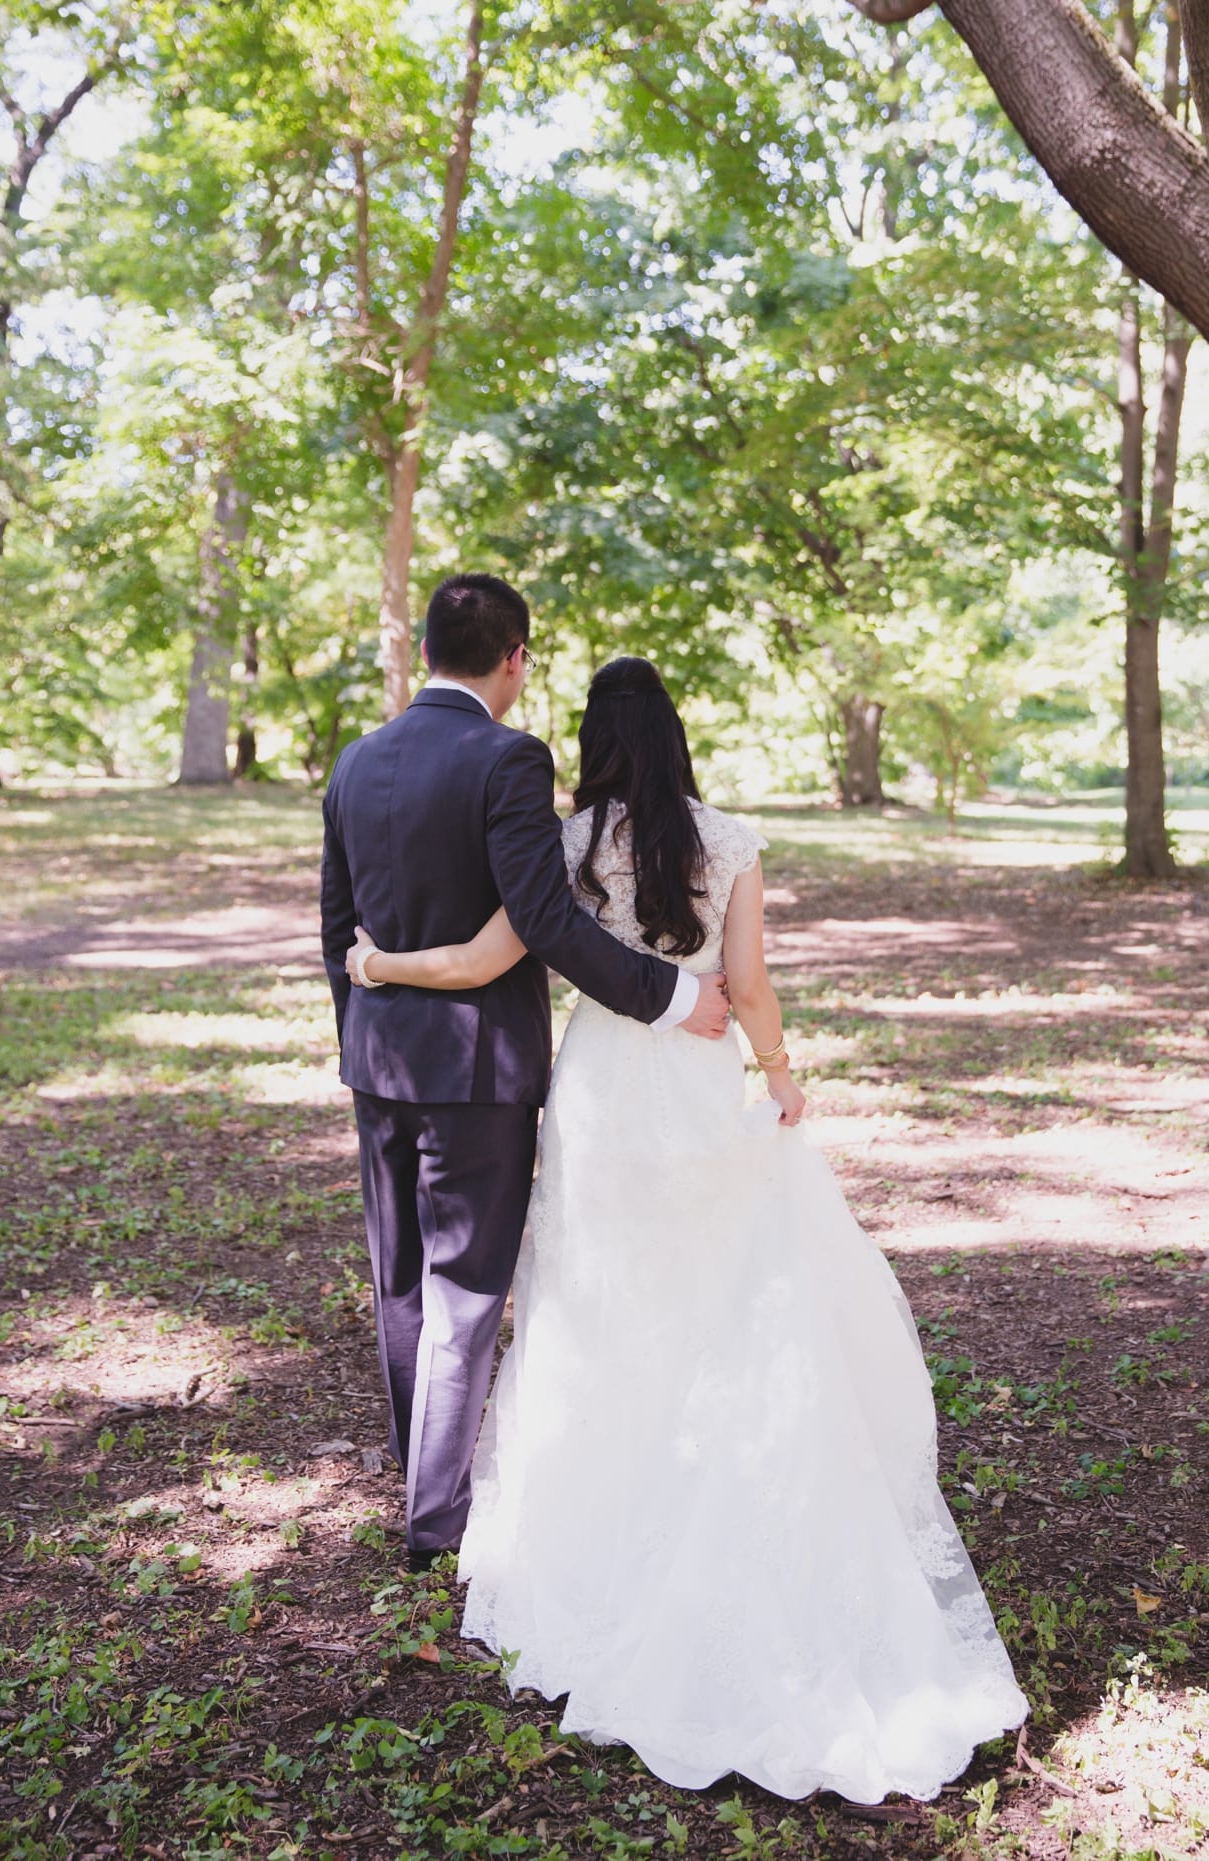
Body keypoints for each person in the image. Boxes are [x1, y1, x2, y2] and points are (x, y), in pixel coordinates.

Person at [343, 653, 1029, 1804]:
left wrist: (375, 960)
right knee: (733, 1300)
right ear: (674, 737)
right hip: (703, 1081)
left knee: (603, 1307)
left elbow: (480, 960)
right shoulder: (730, 840)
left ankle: (608, 1527)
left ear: (597, 745)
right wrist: (779, 1072)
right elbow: (749, 983)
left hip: (605, 1093)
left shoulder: (565, 847)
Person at [319, 576, 731, 1572]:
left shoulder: (355, 762)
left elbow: (336, 930)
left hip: (377, 1066)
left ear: (426, 651)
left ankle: (422, 1475)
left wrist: (363, 1038)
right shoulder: (508, 759)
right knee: (464, 1291)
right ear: (513, 658)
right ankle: (436, 1519)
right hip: (477, 1075)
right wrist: (675, 998)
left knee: (402, 1284)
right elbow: (543, 923)